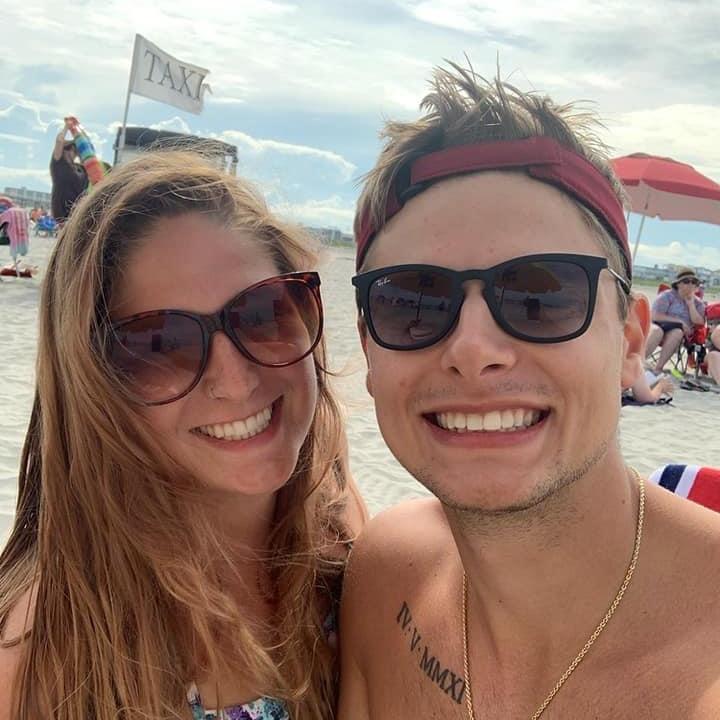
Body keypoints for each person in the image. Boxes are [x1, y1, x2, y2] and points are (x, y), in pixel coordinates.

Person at [338, 62, 720, 719]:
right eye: (413, 302)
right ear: (370, 349)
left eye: (541, 294)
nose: (472, 350)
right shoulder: (384, 576)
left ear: (630, 341)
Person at [0, 151, 365, 719]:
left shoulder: (343, 532)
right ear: (92, 386)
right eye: (161, 344)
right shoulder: (46, 656)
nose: (236, 381)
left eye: (263, 313)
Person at [645, 267, 706, 374]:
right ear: (678, 284)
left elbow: (699, 323)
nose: (690, 284)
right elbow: (655, 316)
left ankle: (658, 368)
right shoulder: (667, 296)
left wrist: (691, 304)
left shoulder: (698, 303)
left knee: (677, 332)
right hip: (659, 325)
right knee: (657, 331)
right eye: (686, 281)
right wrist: (679, 321)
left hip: (679, 333)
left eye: (694, 282)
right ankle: (637, 362)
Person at [50, 117, 89, 224]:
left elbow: (86, 145)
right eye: (69, 148)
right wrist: (67, 126)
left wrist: (78, 126)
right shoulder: (59, 163)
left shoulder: (81, 168)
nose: (73, 151)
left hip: (79, 213)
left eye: (75, 149)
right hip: (62, 212)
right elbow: (59, 141)